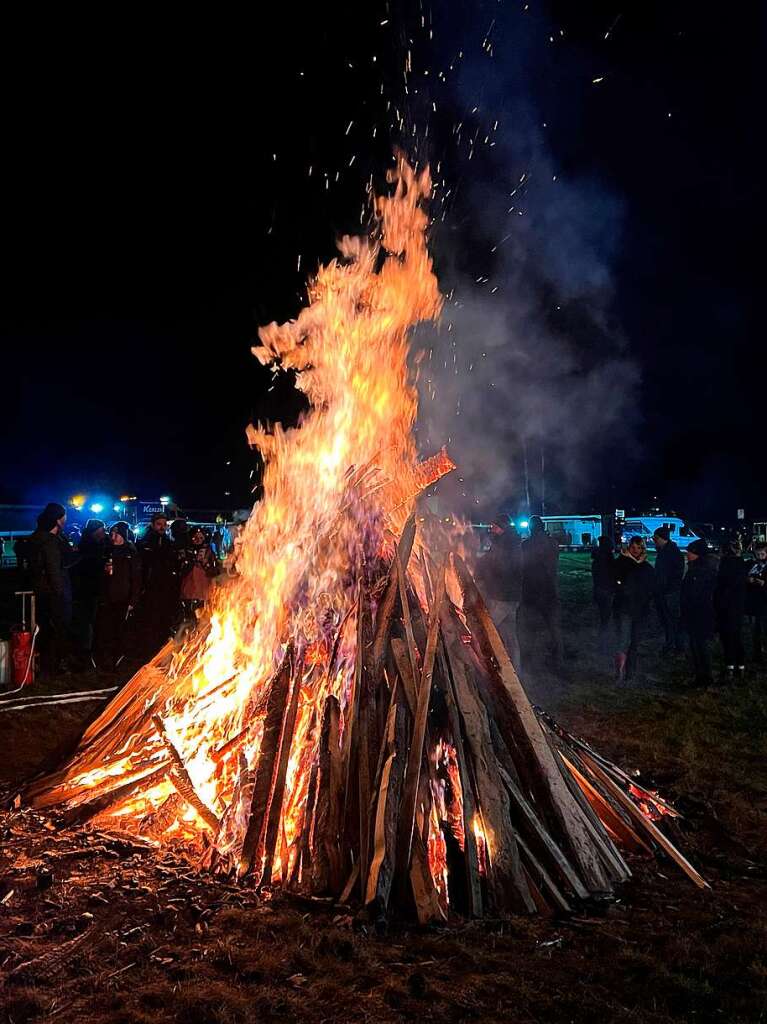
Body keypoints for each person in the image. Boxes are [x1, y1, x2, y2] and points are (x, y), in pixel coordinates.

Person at [28, 502, 77, 674]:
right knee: (57, 628)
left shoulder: (38, 538)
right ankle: (55, 665)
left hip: (43, 590)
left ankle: (47, 663)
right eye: (64, 516)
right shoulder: (50, 542)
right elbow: (53, 567)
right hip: (55, 592)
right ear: (58, 519)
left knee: (46, 628)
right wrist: (59, 592)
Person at [94, 522, 142, 671]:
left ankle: (119, 659)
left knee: (120, 630)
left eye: (116, 534)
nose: (112, 536)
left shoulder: (130, 552)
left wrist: (133, 599)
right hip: (107, 597)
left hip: (123, 597)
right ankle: (105, 660)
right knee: (105, 630)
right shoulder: (106, 550)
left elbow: (137, 578)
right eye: (111, 533)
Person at [477, 513, 523, 669]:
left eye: (494, 527)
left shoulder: (505, 545)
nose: (491, 529)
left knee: (486, 631)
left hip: (502, 596)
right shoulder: (512, 542)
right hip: (512, 596)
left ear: (501, 527)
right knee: (510, 636)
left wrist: (482, 565)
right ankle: (516, 669)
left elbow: (500, 567)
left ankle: (486, 667)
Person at [521, 515, 563, 665]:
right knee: (553, 626)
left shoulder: (527, 545)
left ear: (531, 528)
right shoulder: (553, 543)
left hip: (533, 591)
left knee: (530, 626)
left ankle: (528, 657)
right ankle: (558, 657)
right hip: (551, 589)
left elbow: (523, 566)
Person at [612, 536, 656, 683]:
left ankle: (631, 672)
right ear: (629, 548)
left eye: (639, 548)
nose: (635, 551)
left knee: (635, 643)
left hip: (641, 610)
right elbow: (616, 582)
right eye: (633, 548)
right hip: (625, 609)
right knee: (624, 640)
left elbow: (651, 588)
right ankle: (620, 671)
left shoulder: (647, 567)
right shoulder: (621, 563)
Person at [137, 513, 181, 657]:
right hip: (150, 588)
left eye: (164, 524)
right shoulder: (146, 542)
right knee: (151, 621)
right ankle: (149, 651)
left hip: (166, 588)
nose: (162, 527)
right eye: (159, 524)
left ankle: (162, 650)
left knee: (164, 620)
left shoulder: (168, 542)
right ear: (153, 524)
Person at [680, 539, 717, 687]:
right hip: (694, 615)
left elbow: (697, 595)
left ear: (696, 554)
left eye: (690, 551)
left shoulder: (701, 571)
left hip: (701, 615)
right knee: (696, 646)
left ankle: (705, 676)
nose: (687, 554)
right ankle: (700, 675)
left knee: (700, 646)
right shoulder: (695, 569)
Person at [71, 518, 108, 665]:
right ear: (95, 531)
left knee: (89, 621)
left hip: (89, 589)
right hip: (88, 590)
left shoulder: (93, 544)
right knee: (88, 621)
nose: (103, 533)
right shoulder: (90, 547)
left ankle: (87, 648)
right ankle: (86, 651)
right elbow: (90, 568)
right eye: (101, 530)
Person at [715, 538, 748, 681]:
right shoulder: (742, 565)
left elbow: (721, 586)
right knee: (736, 636)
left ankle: (730, 666)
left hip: (726, 606)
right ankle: (740, 666)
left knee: (727, 637)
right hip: (737, 606)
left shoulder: (725, 565)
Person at [653, 526, 685, 654]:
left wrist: (664, 589)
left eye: (655, 538)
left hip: (669, 593)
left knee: (672, 621)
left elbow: (671, 574)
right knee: (667, 621)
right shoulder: (665, 551)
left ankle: (676, 646)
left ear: (662, 538)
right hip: (665, 592)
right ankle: (671, 644)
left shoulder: (671, 553)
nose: (654, 540)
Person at [179, 526, 220, 621]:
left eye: (201, 538)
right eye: (196, 538)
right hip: (188, 593)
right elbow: (181, 571)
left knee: (203, 619)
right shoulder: (186, 551)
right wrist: (190, 559)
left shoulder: (209, 552)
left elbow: (215, 571)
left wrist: (205, 563)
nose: (198, 540)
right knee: (189, 619)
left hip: (203, 593)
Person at [591, 536, 616, 653]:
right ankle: (604, 644)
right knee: (606, 619)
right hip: (606, 591)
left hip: (598, 590)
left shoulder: (597, 558)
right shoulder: (608, 558)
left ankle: (603, 643)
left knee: (603, 618)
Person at [745, 541, 767, 665]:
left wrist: (763, 584)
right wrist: (748, 580)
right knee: (755, 631)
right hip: (754, 604)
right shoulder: (753, 565)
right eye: (757, 554)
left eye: (762, 554)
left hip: (764, 603)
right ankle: (757, 655)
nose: (759, 556)